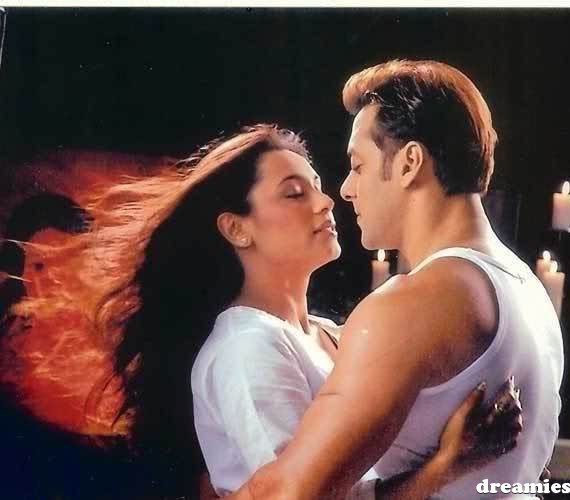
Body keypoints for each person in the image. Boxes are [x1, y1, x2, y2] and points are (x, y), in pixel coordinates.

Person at [78, 123, 520, 499]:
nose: (325, 202)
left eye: (318, 187)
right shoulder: (246, 347)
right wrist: (446, 466)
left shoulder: (328, 333)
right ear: (237, 229)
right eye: (294, 194)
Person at [222, 60, 564, 500]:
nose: (346, 189)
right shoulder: (527, 288)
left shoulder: (414, 304)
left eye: (358, 165)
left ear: (409, 163)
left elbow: (291, 495)